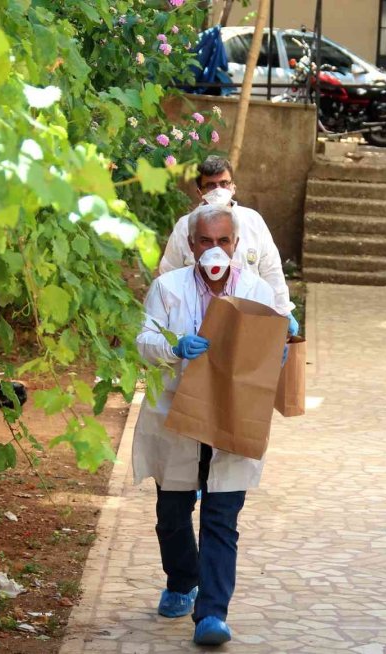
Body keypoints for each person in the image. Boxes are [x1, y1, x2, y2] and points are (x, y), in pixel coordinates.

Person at [134, 204, 282, 646]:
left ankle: (212, 613)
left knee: (222, 517)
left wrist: (279, 347)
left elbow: (268, 353)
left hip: (231, 418)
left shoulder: (257, 291)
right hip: (177, 415)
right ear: (191, 245)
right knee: (172, 515)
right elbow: (144, 340)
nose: (214, 250)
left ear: (235, 245)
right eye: (205, 241)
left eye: (223, 241)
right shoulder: (167, 288)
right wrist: (174, 347)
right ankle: (183, 581)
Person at [158, 155, 300, 336]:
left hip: (248, 318)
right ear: (200, 192)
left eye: (224, 183)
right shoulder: (185, 227)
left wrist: (283, 310)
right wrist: (165, 321)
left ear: (233, 187)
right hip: (197, 321)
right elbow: (168, 274)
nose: (218, 190)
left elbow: (271, 270)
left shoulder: (253, 222)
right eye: (211, 185)